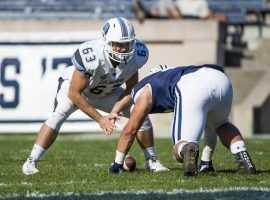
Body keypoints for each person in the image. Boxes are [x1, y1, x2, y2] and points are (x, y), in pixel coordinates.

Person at [22, 17, 169, 175]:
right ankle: (31, 161)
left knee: (140, 112)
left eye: (126, 43)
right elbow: (74, 93)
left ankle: (151, 160)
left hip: (106, 91)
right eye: (118, 44)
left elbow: (132, 88)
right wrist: (101, 119)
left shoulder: (137, 54)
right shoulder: (91, 54)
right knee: (60, 112)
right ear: (106, 41)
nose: (123, 48)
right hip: (77, 89)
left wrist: (115, 110)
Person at [108, 64, 256, 176]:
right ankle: (243, 158)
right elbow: (211, 128)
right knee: (220, 124)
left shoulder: (145, 86)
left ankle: (186, 150)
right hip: (221, 79)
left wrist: (117, 162)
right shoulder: (174, 75)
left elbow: (131, 129)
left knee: (180, 147)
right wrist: (206, 161)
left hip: (193, 86)